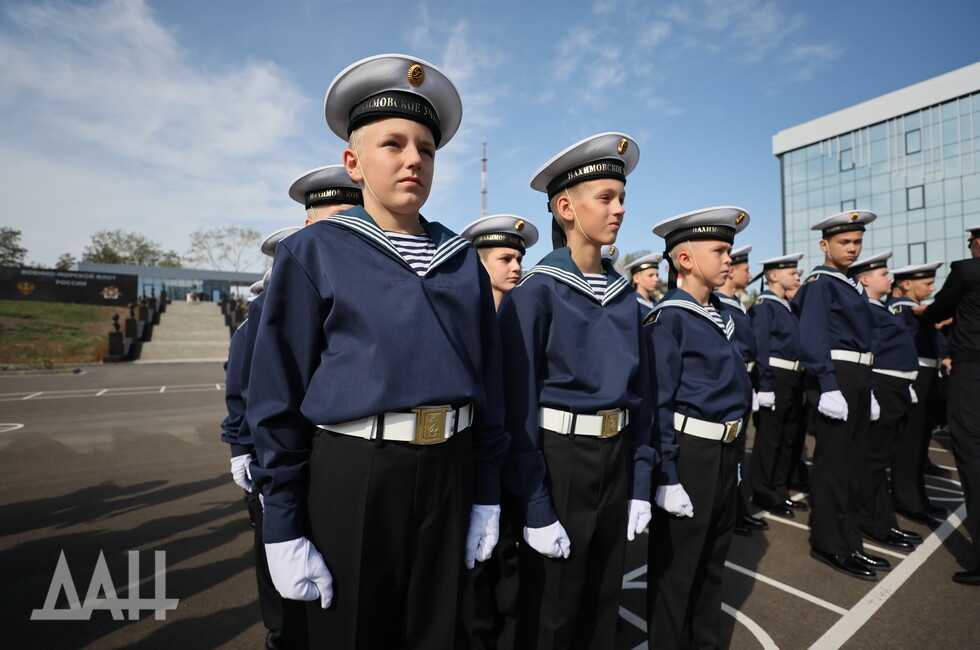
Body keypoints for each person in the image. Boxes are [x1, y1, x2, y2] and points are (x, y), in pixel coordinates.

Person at [247, 54, 509, 647]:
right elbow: (276, 397)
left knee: (439, 634)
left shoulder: (463, 259)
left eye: (427, 147)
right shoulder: (314, 253)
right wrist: (283, 523)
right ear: (354, 162)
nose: (413, 158)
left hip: (451, 468)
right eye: (392, 143)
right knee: (355, 631)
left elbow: (488, 385)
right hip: (355, 473)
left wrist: (486, 493)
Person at [498, 132, 654, 649]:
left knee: (603, 599)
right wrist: (536, 505)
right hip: (560, 458)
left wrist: (640, 478)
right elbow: (516, 409)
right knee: (554, 610)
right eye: (605, 198)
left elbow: (641, 396)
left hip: (616, 456)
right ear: (566, 207)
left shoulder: (627, 297)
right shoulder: (536, 293)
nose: (619, 210)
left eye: (622, 198)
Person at [221, 164, 362, 650]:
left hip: (333, 456)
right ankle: (283, 630)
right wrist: (243, 444)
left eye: (355, 214)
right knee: (284, 554)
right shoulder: (267, 305)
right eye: (335, 217)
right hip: (285, 452)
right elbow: (254, 386)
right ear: (308, 227)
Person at [645, 206, 752, 649]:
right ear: (684, 260)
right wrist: (667, 474)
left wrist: (737, 454)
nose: (729, 259)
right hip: (691, 453)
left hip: (725, 452)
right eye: (720, 250)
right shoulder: (669, 317)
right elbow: (659, 403)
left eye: (729, 251)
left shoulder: (721, 313)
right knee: (678, 569)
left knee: (712, 561)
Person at [793, 209, 889, 581]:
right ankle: (829, 543)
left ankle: (851, 541)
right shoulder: (820, 282)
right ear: (824, 245)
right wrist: (828, 385)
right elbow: (812, 335)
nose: (852, 248)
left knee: (853, 466)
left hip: (859, 376)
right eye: (844, 242)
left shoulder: (850, 284)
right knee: (834, 465)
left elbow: (867, 338)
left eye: (857, 242)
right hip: (837, 375)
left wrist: (873, 390)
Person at [456, 214, 538, 649]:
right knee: (473, 580)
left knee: (509, 570)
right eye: (505, 257)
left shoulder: (522, 317)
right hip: (468, 470)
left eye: (520, 258)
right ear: (479, 263)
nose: (516, 266)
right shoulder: (463, 320)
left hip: (511, 466)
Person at [916, 224, 980, 585]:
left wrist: (927, 316)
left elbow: (937, 308)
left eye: (971, 242)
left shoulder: (968, 270)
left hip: (972, 374)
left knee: (972, 457)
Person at [849, 251, 923, 552]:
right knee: (874, 460)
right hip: (883, 387)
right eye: (883, 274)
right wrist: (874, 391)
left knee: (881, 460)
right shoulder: (864, 309)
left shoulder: (879, 308)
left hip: (896, 387)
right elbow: (869, 355)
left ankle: (884, 520)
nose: (890, 278)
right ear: (865, 280)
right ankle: (872, 520)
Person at [716, 244, 772, 537]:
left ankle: (738, 508)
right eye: (746, 268)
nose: (749, 273)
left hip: (745, 380)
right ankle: (732, 510)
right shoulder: (720, 305)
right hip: (733, 381)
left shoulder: (736, 303)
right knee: (730, 452)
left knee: (737, 452)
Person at [887, 261, 947, 528]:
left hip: (928, 375)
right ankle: (907, 499)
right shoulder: (902, 308)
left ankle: (919, 497)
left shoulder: (915, 309)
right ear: (907, 284)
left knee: (921, 441)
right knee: (910, 442)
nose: (932, 287)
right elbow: (924, 317)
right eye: (927, 283)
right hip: (914, 377)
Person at [749, 253, 806, 519]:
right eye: (791, 272)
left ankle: (780, 489)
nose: (797, 276)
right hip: (776, 377)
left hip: (794, 377)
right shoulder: (765, 305)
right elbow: (760, 347)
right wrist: (765, 385)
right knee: (770, 439)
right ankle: (763, 491)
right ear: (773, 276)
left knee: (788, 437)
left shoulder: (787, 306)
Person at [460, 214, 539, 309]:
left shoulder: (528, 313)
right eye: (505, 259)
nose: (517, 267)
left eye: (519, 260)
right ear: (480, 263)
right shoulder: (463, 315)